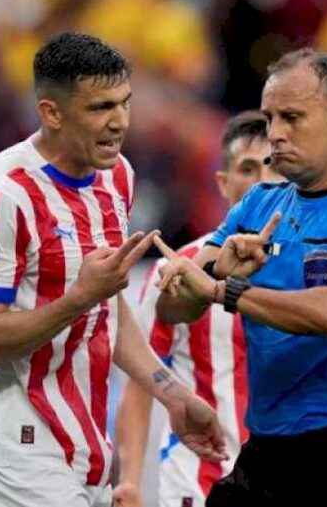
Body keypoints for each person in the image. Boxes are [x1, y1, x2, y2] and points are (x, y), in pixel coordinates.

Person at [0, 31, 225, 507]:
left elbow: (108, 308)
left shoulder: (118, 177)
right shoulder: (0, 197)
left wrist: (171, 393)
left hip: (86, 447)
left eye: (124, 103)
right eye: (99, 108)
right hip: (15, 445)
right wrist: (78, 297)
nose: (119, 122)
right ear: (51, 112)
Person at [152, 48, 327, 507]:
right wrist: (196, 280)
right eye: (270, 118)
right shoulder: (257, 205)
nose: (275, 134)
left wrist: (225, 289)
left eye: (292, 118)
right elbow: (174, 308)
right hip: (266, 443)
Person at [113, 111, 281, 507]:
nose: (262, 180)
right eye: (248, 168)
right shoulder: (178, 265)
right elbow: (140, 381)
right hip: (202, 481)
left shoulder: (316, 264)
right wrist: (131, 481)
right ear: (223, 184)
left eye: (272, 166)